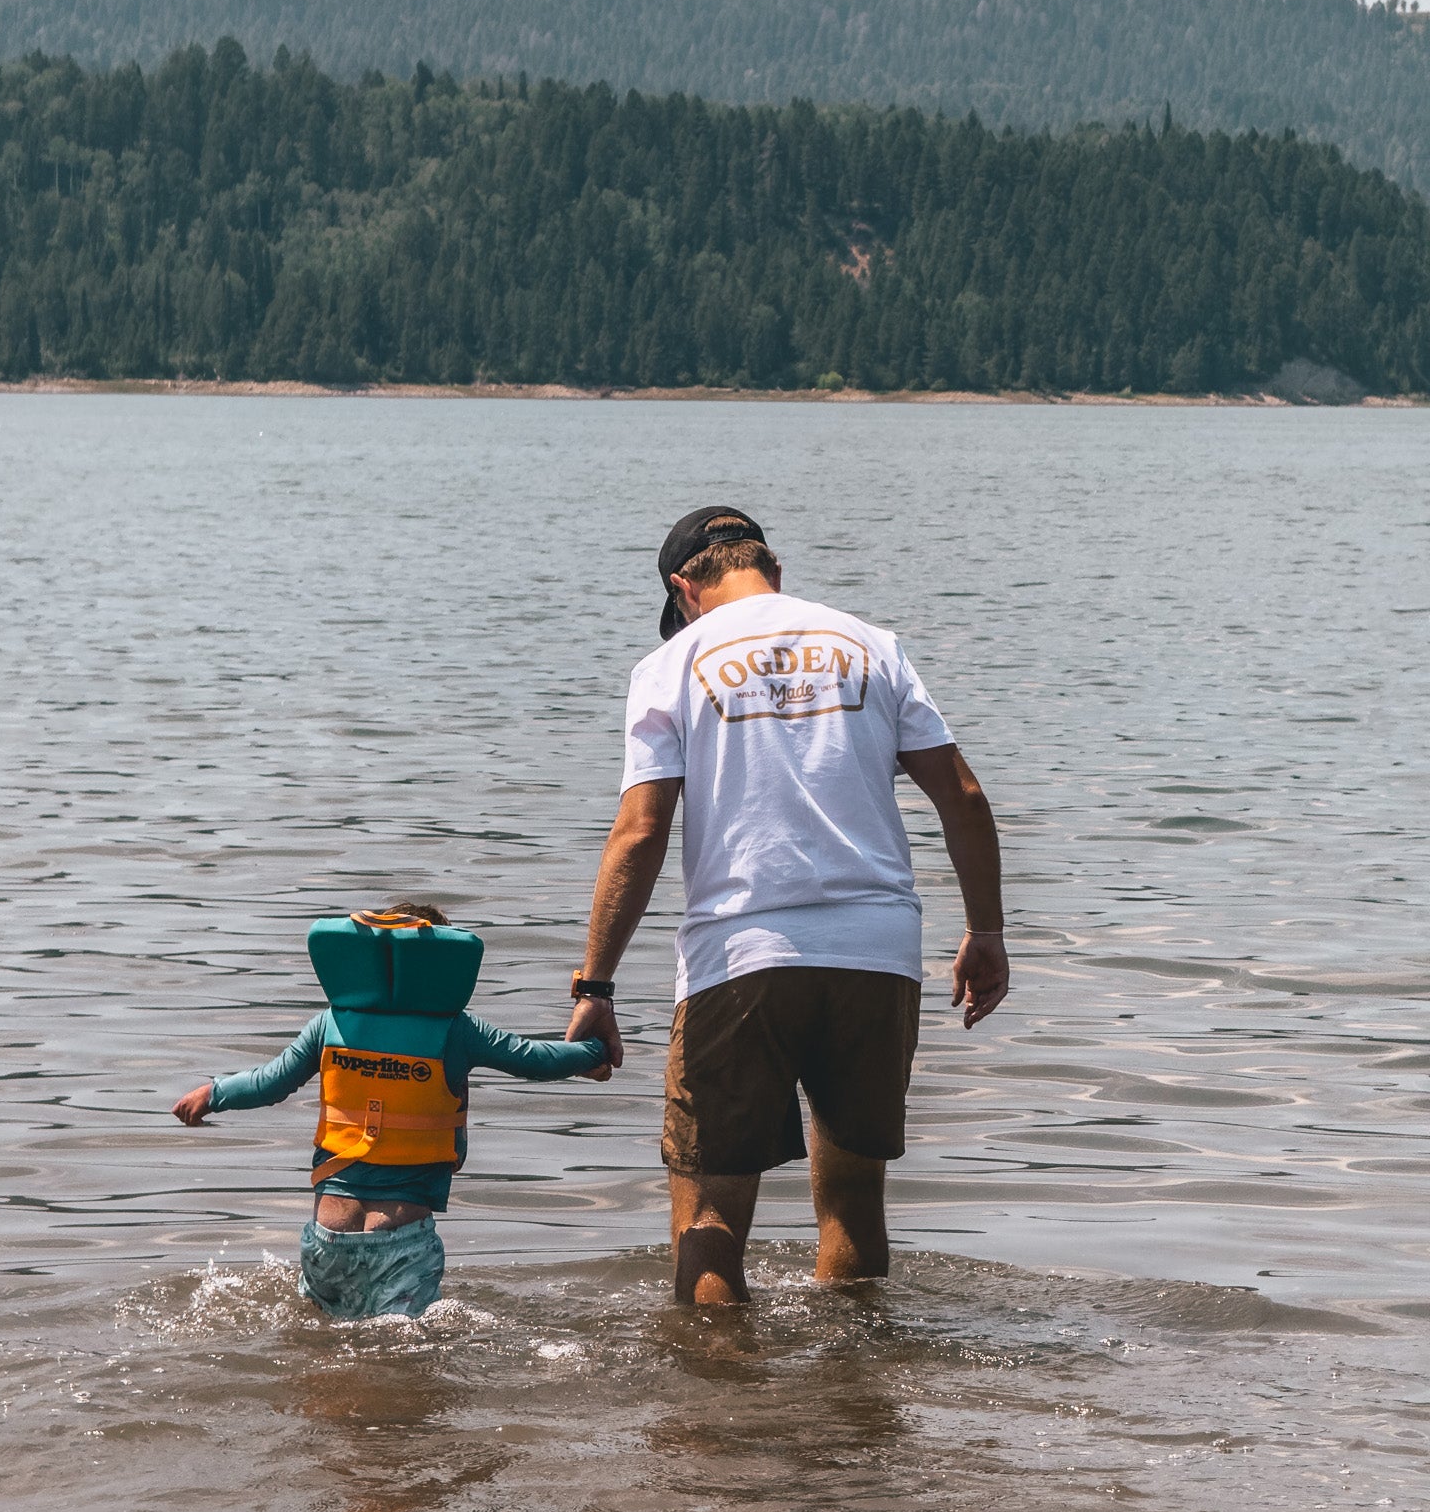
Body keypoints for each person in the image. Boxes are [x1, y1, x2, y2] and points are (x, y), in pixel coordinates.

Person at [565, 508, 1009, 1306]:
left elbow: (641, 831)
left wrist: (595, 986)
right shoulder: (872, 645)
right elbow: (963, 796)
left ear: (684, 588)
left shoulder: (671, 664)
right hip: (876, 952)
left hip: (741, 954)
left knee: (709, 1215)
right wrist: (986, 931)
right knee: (853, 1198)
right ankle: (854, 1378)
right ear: (772, 568)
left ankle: (716, 1384)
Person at [173, 900, 608, 1318]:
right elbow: (535, 1060)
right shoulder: (456, 1030)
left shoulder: (331, 1023)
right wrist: (595, 1051)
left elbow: (270, 1082)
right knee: (403, 1356)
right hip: (401, 1243)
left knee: (327, 1354)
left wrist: (212, 1093)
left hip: (327, 1240)